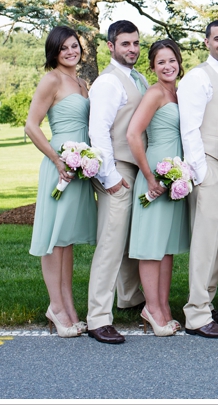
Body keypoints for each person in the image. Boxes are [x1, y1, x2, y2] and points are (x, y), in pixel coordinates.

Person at [26, 26, 97, 338]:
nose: (71, 52)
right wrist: (57, 160)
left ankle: (67, 307)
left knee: (66, 241)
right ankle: (56, 306)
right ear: (54, 52)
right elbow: (31, 126)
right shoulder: (52, 79)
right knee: (54, 240)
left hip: (80, 168)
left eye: (74, 46)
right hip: (61, 168)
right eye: (64, 48)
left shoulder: (81, 82)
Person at [177, 19, 218, 338]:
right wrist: (201, 174)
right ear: (207, 42)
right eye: (217, 38)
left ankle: (208, 304)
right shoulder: (197, 77)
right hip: (209, 169)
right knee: (205, 243)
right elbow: (189, 129)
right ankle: (197, 315)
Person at [86, 20, 148, 344]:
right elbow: (99, 131)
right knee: (110, 243)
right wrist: (109, 177)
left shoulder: (136, 77)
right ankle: (98, 317)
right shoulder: (109, 83)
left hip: (133, 168)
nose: (132, 49)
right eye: (125, 44)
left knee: (126, 239)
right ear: (110, 46)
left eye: (136, 43)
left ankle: (129, 296)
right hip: (116, 169)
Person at [126, 40, 191, 337]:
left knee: (166, 248)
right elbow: (133, 134)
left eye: (172, 60)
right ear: (152, 67)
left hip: (175, 177)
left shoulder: (177, 92)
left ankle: (162, 307)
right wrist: (150, 177)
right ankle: (152, 308)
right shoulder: (154, 93)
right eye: (161, 62)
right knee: (151, 246)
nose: (168, 66)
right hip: (155, 174)